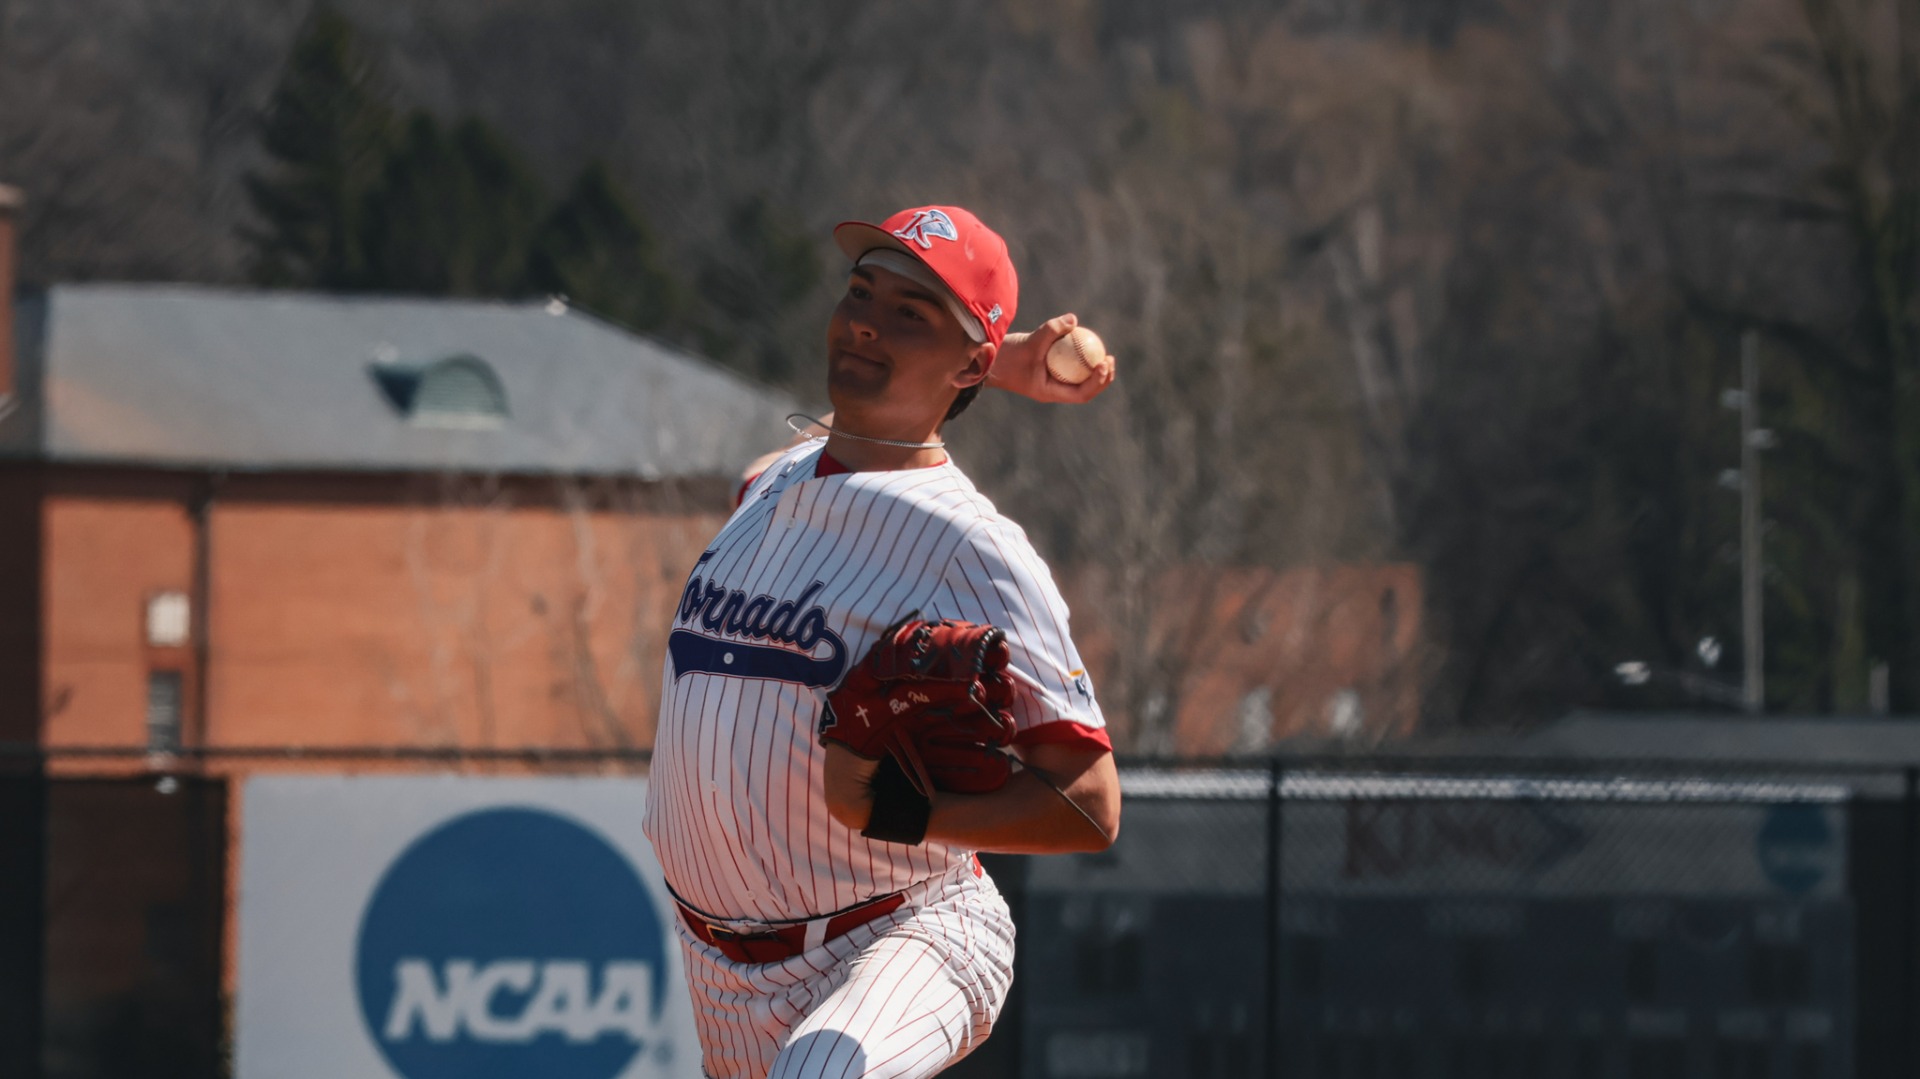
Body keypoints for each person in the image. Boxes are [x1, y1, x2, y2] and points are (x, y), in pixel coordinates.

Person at [643, 205, 1121, 1079]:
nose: (865, 318)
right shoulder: (771, 484)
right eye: (861, 293)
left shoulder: (973, 544)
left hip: (902, 930)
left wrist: (912, 815)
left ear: (964, 357)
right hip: (720, 969)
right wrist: (1000, 367)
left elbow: (1090, 801)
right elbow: (833, 448)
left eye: (911, 313)